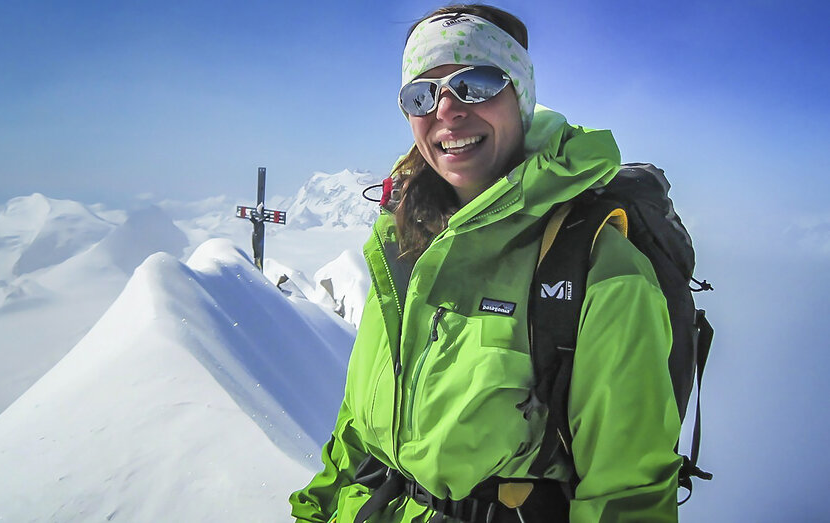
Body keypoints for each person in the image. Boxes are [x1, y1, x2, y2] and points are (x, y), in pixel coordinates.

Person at [290, 4, 682, 522]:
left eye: (475, 83)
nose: (446, 110)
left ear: (520, 97)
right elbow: (357, 428)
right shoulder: (400, 243)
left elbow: (627, 497)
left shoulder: (597, 268)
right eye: (421, 94)